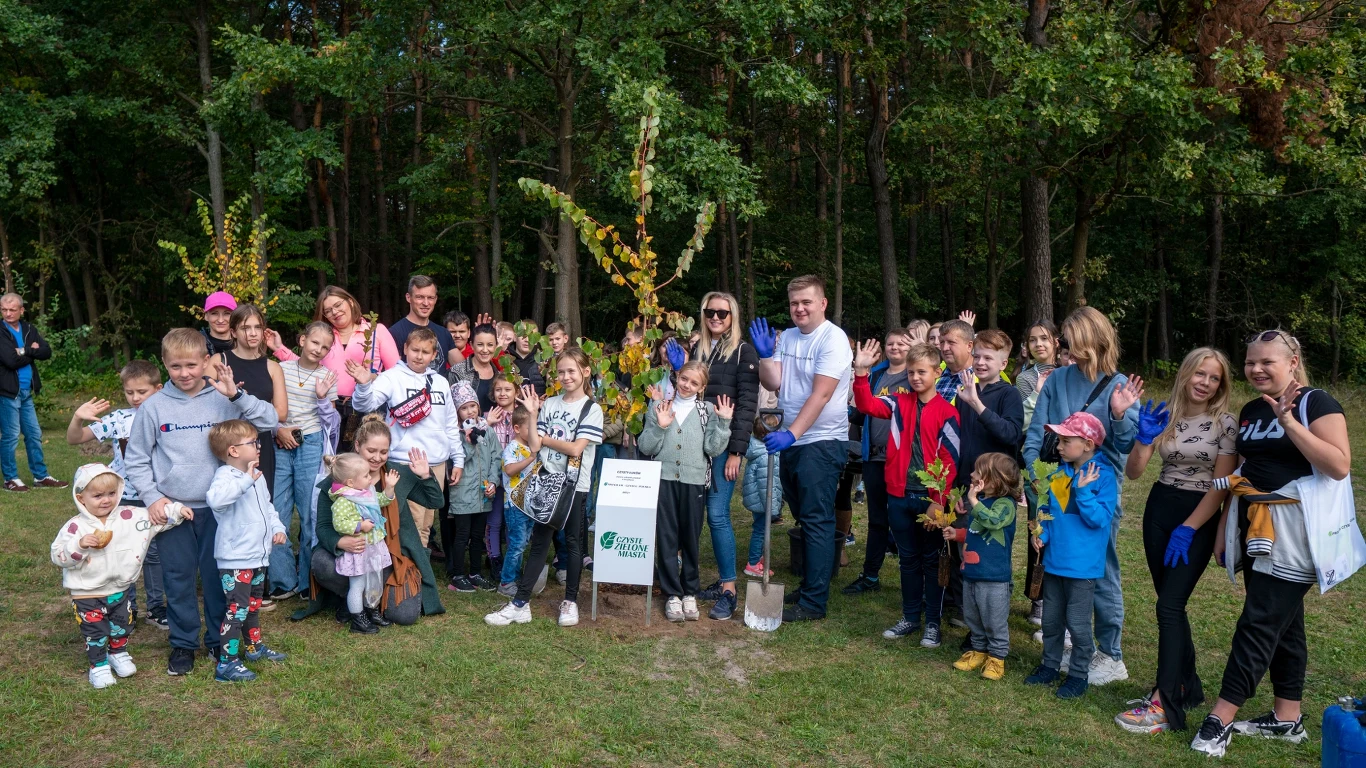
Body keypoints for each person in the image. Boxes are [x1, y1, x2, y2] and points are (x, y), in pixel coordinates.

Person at [1190, 331, 1351, 758]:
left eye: (1267, 362)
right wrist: (1228, 523)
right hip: (1254, 523)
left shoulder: (1317, 403)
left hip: (1296, 529)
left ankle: (1220, 717)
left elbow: (1338, 464)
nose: (1256, 370)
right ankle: (1286, 717)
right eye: (1250, 363)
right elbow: (1246, 467)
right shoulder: (1249, 409)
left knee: (1260, 620)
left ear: (1292, 362)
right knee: (1284, 621)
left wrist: (1290, 422)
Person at [123, 328, 279, 677]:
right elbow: (136, 458)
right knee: (177, 578)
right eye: (176, 366)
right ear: (164, 364)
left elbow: (270, 421)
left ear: (205, 362)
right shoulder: (153, 407)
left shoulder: (223, 398)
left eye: (192, 365)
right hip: (175, 510)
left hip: (220, 510)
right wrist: (153, 497)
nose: (185, 373)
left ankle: (216, 640)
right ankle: (182, 643)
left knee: (214, 578)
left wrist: (237, 395)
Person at [1115, 347, 1237, 734]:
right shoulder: (1165, 414)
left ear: (1222, 384)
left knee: (1170, 606)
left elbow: (1221, 485)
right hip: (1159, 509)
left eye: (1214, 377)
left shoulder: (1225, 423)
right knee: (1170, 605)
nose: (1205, 383)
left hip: (1197, 515)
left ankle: (1163, 702)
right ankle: (1189, 686)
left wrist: (1190, 527)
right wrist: (1143, 438)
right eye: (1200, 374)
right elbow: (1135, 473)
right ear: (1186, 373)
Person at [1022, 306, 1142, 687]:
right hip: (1056, 484)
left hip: (1095, 486)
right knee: (1058, 562)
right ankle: (1070, 645)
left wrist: (1121, 416)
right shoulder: (1057, 379)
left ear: (1094, 339)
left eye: (1073, 338)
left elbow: (1124, 445)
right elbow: (1037, 435)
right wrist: (1035, 476)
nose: (1066, 345)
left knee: (1101, 568)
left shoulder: (1119, 383)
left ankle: (1110, 654)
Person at [751, 275, 853, 623]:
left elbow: (822, 394)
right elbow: (774, 382)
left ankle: (814, 602)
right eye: (794, 303)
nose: (799, 309)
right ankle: (811, 584)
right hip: (795, 440)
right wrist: (766, 356)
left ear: (822, 303)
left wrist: (792, 434)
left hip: (821, 443)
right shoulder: (790, 336)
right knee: (805, 517)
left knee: (817, 519)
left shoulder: (833, 340)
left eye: (806, 302)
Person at [485, 348, 604, 628]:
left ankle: (570, 601)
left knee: (573, 544)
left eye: (572, 371)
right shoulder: (550, 404)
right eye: (561, 372)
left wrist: (546, 438)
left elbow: (576, 448)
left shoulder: (592, 409)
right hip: (547, 481)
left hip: (575, 486)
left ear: (585, 372)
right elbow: (535, 444)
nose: (566, 376)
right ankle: (520, 604)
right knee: (539, 541)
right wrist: (535, 413)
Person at [851, 339, 959, 647]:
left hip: (929, 500)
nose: (915, 378)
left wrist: (939, 501)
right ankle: (911, 617)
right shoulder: (899, 403)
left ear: (937, 373)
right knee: (908, 560)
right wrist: (861, 374)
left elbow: (950, 461)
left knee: (931, 560)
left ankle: (933, 624)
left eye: (922, 372)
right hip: (898, 495)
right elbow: (867, 405)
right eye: (911, 372)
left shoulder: (948, 413)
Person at [665, 291, 760, 621]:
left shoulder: (743, 352)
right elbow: (687, 391)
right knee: (690, 513)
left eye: (723, 312)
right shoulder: (698, 349)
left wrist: (736, 451)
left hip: (722, 447)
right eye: (710, 311)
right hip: (692, 444)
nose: (716, 317)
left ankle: (729, 589)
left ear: (733, 315)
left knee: (717, 513)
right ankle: (685, 578)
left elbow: (747, 406)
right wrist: (676, 370)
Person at [51, 464, 191, 688]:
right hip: (87, 592)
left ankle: (118, 653)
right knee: (95, 631)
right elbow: (58, 555)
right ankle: (98, 665)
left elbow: (154, 518)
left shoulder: (129, 516)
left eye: (111, 493)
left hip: (120, 588)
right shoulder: (75, 527)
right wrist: (79, 545)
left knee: (121, 625)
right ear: (81, 497)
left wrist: (175, 511)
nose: (106, 500)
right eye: (97, 495)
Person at [299, 416, 447, 625]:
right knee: (322, 562)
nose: (377, 458)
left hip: (390, 559)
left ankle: (368, 601)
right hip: (354, 556)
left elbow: (435, 502)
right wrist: (339, 542)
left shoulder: (398, 475)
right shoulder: (338, 480)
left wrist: (425, 476)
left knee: (404, 616)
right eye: (371, 451)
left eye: (383, 452)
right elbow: (322, 526)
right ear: (357, 445)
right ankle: (352, 599)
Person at [65, 360, 167, 628]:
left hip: (156, 495)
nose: (135, 398)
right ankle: (126, 609)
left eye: (142, 392)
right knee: (122, 552)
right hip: (123, 497)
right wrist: (78, 417)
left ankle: (157, 607)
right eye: (129, 392)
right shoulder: (118, 419)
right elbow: (75, 438)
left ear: (158, 388)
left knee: (153, 553)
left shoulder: (167, 414)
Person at [1024, 411, 1119, 700]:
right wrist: (1042, 534)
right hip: (1054, 564)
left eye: (1066, 441)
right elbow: (1051, 513)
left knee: (1078, 625)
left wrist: (1084, 492)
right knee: (1051, 621)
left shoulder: (1103, 477)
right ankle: (1050, 665)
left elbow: (1099, 520)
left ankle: (1078, 673)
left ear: (1088, 444)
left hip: (1082, 569)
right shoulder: (1058, 475)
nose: (1059, 446)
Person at [348, 327, 465, 549]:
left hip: (436, 463)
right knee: (406, 522)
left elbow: (450, 424)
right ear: (405, 349)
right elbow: (364, 404)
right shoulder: (391, 377)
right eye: (415, 350)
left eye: (425, 352)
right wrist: (364, 385)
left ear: (434, 355)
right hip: (403, 462)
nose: (419, 356)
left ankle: (416, 575)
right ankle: (406, 573)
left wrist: (457, 459)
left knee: (426, 524)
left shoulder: (440, 382)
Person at [639, 362, 734, 622]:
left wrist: (724, 422)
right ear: (677, 378)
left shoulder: (707, 412)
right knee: (667, 536)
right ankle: (672, 594)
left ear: (702, 387)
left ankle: (690, 591)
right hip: (664, 479)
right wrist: (660, 424)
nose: (687, 385)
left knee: (691, 536)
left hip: (693, 482)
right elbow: (646, 445)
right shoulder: (660, 407)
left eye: (694, 383)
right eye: (684, 379)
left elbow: (713, 448)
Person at [947, 328, 1024, 634]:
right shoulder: (964, 394)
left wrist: (977, 404)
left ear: (1003, 363)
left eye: (988, 357)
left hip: (997, 489)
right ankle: (963, 607)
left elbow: (1010, 434)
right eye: (976, 355)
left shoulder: (1008, 394)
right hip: (968, 485)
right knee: (963, 545)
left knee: (991, 548)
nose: (979, 362)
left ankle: (994, 611)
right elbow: (957, 443)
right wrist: (954, 488)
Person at [204, 419, 289, 683]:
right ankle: (226, 664)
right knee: (237, 609)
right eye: (252, 442)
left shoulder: (257, 476)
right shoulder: (225, 477)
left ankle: (253, 647)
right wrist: (245, 481)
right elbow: (216, 501)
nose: (258, 445)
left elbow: (268, 507)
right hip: (235, 559)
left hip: (258, 556)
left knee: (252, 606)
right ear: (233, 451)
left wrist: (278, 528)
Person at [266, 285, 399, 451]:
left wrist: (371, 377)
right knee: (333, 459)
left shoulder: (374, 331)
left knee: (364, 457)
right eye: (328, 310)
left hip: (366, 407)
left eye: (338, 305)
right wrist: (279, 349)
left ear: (350, 302)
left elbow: (396, 373)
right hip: (330, 406)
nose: (334, 312)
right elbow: (307, 365)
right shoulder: (326, 337)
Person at [268, 321, 339, 600]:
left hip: (310, 444)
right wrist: (277, 430)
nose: (318, 349)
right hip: (280, 442)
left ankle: (308, 579)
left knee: (310, 512)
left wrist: (322, 398)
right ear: (302, 340)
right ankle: (282, 581)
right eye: (314, 343)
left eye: (325, 347)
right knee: (278, 509)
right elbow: (270, 407)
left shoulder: (327, 377)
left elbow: (331, 422)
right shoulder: (280, 369)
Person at [843, 327, 913, 596]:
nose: (895, 348)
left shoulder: (915, 376)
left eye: (901, 344)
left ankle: (913, 577)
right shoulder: (877, 375)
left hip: (903, 461)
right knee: (877, 519)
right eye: (891, 343)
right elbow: (865, 411)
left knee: (905, 519)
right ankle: (870, 575)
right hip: (874, 457)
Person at [947, 453, 1019, 682]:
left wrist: (973, 499)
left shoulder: (1006, 505)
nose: (971, 474)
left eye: (977, 472)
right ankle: (978, 650)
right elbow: (977, 531)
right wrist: (957, 534)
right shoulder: (981, 503)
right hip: (972, 572)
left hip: (994, 577)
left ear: (993, 480)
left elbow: (993, 521)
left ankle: (997, 657)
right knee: (973, 615)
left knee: (994, 618)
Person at [215, 305, 288, 498]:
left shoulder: (272, 367)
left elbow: (281, 413)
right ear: (233, 332)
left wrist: (244, 399)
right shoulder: (219, 361)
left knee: (260, 500)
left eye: (257, 327)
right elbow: (204, 404)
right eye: (245, 328)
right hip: (227, 442)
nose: (253, 333)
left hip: (259, 443)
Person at [1016, 318, 1059, 625]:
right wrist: (1040, 393)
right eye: (1033, 340)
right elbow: (1023, 421)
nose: (1039, 344)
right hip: (1039, 461)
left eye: (1044, 338)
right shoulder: (1025, 379)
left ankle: (1062, 595)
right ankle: (1038, 597)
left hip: (1070, 460)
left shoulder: (1070, 373)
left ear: (1056, 341)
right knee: (1038, 528)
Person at [0, 292, 65, 491]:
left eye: (12, 310)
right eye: (4, 310)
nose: (8, 313)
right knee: (10, 436)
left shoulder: (29, 328)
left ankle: (40, 476)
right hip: (8, 392)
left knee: (34, 434)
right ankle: (10, 478)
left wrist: (23, 350)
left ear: (21, 310)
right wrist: (31, 350)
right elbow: (10, 361)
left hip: (26, 392)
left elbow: (46, 352)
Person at [328, 453, 397, 634]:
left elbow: (381, 500)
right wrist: (360, 526)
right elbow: (340, 524)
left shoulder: (365, 494)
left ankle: (370, 610)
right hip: (358, 550)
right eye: (366, 476)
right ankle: (358, 619)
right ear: (350, 482)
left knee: (373, 581)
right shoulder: (343, 501)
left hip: (372, 548)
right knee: (357, 586)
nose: (370, 478)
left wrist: (389, 488)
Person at [446, 382, 503, 593]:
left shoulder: (488, 431)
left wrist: (493, 482)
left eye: (473, 406)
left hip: (484, 492)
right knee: (463, 534)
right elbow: (460, 459)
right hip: (463, 492)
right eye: (464, 407)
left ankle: (475, 573)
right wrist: (471, 440)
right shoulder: (456, 433)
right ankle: (458, 575)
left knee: (479, 534)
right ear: (457, 411)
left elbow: (496, 458)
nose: (470, 411)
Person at [495, 404, 539, 597]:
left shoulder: (531, 447)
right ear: (517, 428)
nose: (534, 432)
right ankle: (506, 582)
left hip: (529, 505)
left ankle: (514, 577)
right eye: (530, 428)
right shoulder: (513, 448)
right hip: (514, 505)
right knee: (517, 543)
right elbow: (509, 470)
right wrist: (531, 458)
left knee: (522, 542)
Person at [742, 392, 784, 576]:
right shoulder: (767, 456)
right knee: (760, 530)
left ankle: (757, 557)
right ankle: (752, 564)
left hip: (758, 501)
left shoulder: (758, 448)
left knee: (759, 529)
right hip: (762, 502)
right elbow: (764, 485)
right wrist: (772, 507)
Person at [484, 377, 520, 576]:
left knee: (512, 521)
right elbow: (479, 441)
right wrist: (487, 423)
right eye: (498, 389)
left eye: (508, 389)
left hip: (516, 477)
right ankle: (494, 558)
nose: (503, 393)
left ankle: (511, 560)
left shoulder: (522, 415)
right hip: (495, 476)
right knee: (495, 520)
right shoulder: (487, 416)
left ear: (516, 392)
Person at [390, 276, 456, 375]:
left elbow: (464, 369)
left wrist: (481, 334)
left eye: (430, 298)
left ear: (436, 299)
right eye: (420, 297)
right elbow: (391, 374)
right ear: (408, 297)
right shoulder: (395, 333)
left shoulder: (444, 333)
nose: (426, 303)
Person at [449, 323, 501, 413]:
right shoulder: (456, 372)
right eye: (480, 344)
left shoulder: (499, 375)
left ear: (496, 346)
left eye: (490, 345)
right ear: (472, 345)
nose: (485, 350)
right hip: (467, 426)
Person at [934, 319, 974, 405]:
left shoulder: (984, 378)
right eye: (942, 342)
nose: (944, 348)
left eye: (951, 342)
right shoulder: (937, 372)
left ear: (969, 346)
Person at [508, 321, 546, 395]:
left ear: (536, 340)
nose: (527, 340)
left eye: (531, 336)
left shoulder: (544, 362)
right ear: (515, 337)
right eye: (523, 335)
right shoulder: (504, 359)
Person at [201, 291, 237, 356]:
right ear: (206, 316)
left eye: (227, 313)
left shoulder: (245, 344)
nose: (220, 320)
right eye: (214, 313)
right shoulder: (195, 344)